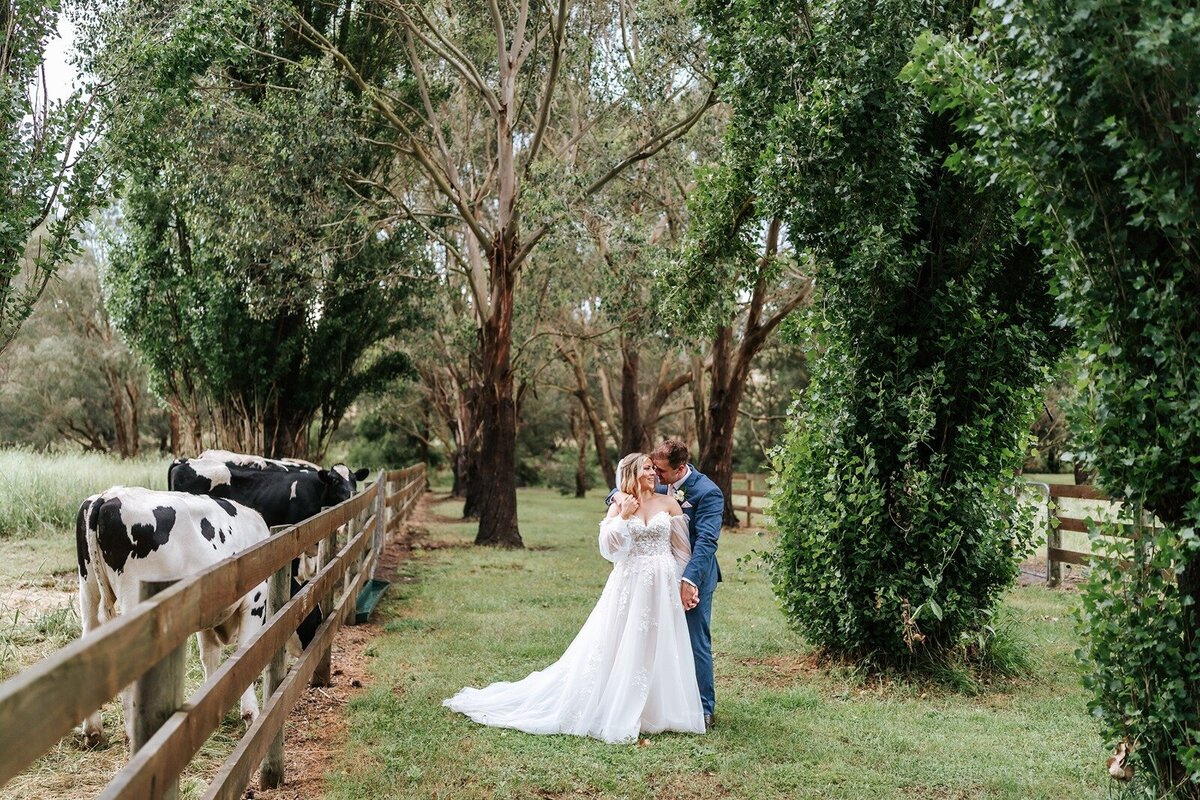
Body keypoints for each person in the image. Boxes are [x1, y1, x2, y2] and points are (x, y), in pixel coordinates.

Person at [442, 452, 706, 743]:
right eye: (646, 468)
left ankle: (659, 709)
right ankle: (619, 705)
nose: (653, 473)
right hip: (629, 582)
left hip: (662, 580)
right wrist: (625, 516)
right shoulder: (620, 506)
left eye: (653, 468)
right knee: (622, 641)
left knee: (658, 642)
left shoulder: (669, 503)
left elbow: (682, 550)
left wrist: (685, 585)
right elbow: (609, 550)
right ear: (631, 473)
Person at [648, 439, 722, 731]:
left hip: (694, 576)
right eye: (653, 467)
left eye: (662, 470)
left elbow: (706, 541)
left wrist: (689, 581)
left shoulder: (707, 492)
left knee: (695, 641)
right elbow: (621, 486)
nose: (655, 474)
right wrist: (614, 498)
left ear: (680, 469)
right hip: (655, 574)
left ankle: (704, 707)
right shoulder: (653, 479)